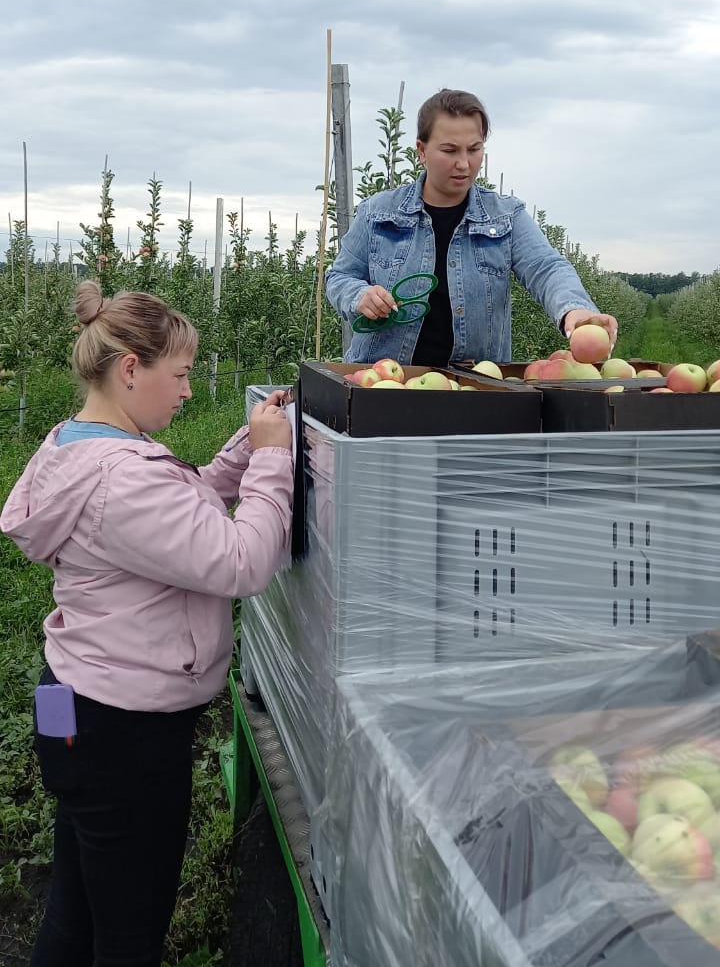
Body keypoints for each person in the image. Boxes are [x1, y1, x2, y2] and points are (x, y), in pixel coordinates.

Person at [0, 281, 293, 967]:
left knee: (76, 913)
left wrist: (243, 453)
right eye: (182, 374)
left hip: (76, 707)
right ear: (132, 368)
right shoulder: (124, 479)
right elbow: (241, 560)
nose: (189, 391)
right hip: (124, 736)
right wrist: (275, 461)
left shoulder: (80, 447)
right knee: (129, 934)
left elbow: (174, 514)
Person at [325, 88, 618, 367]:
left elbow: (546, 267)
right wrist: (358, 295)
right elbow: (339, 277)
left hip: (474, 389)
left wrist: (574, 310)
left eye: (474, 149)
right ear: (422, 151)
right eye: (450, 150)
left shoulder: (505, 217)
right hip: (382, 387)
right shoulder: (377, 213)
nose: (464, 164)